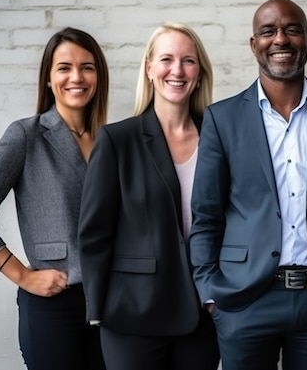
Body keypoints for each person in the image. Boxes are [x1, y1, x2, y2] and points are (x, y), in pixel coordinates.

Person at [188, 0, 307, 370]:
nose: (281, 40)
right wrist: (211, 295)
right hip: (244, 301)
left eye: (292, 30)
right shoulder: (222, 118)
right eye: (268, 31)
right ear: (253, 43)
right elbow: (205, 216)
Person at [0, 27, 108, 370]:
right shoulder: (25, 136)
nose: (77, 77)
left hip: (111, 303)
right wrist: (23, 276)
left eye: (87, 67)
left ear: (99, 75)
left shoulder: (111, 140)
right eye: (64, 68)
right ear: (48, 78)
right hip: (53, 307)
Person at [78, 22, 219, 370]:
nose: (177, 69)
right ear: (150, 69)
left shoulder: (220, 138)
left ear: (199, 73)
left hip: (204, 312)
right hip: (132, 315)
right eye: (167, 59)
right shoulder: (117, 140)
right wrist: (98, 310)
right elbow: (94, 232)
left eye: (188, 60)